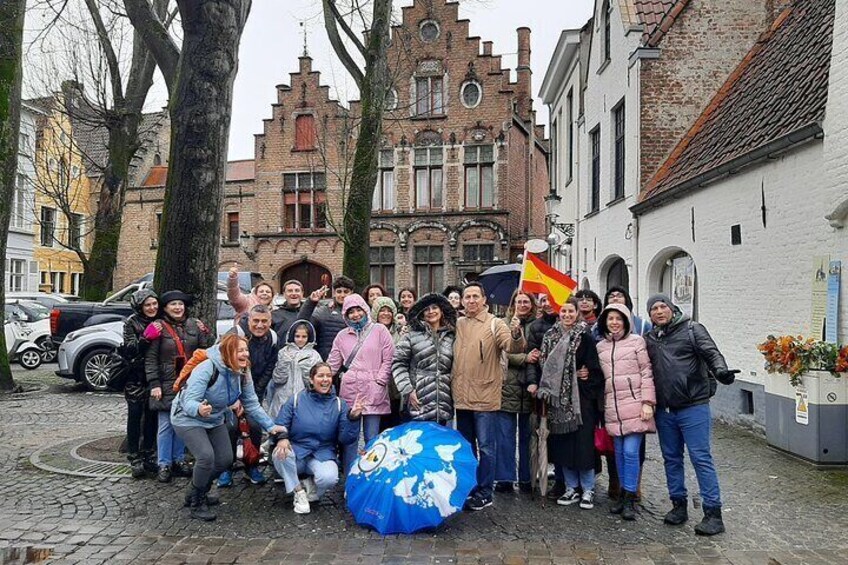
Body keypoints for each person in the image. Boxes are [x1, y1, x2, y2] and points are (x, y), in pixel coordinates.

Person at [644, 294, 738, 536]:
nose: (659, 311)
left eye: (663, 306)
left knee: (700, 457)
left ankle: (713, 512)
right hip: (665, 410)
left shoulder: (692, 329)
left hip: (693, 405)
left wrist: (721, 371)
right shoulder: (650, 339)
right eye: (653, 308)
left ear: (672, 308)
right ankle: (678, 505)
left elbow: (711, 353)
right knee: (671, 458)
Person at [171, 334, 285, 521]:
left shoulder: (242, 371)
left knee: (225, 459)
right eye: (239, 350)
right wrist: (199, 409)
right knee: (206, 456)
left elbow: (251, 403)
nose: (245, 354)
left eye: (245, 350)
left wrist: (270, 426)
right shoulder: (208, 367)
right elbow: (188, 400)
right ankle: (197, 502)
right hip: (187, 418)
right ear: (227, 351)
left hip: (214, 418)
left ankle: (196, 490)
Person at [452, 282, 526, 511]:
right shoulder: (458, 324)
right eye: (467, 297)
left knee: (486, 447)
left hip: (485, 396)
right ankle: (469, 487)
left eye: (476, 296)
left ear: (484, 300)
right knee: (466, 447)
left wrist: (515, 333)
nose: (471, 300)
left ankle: (485, 490)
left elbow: (513, 347)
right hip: (462, 396)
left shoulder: (495, 324)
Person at [536, 297, 603, 510]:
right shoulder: (549, 336)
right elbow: (544, 365)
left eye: (571, 311)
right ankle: (571, 487)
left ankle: (588, 489)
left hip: (580, 399)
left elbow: (594, 367)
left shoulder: (585, 336)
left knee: (583, 446)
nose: (567, 315)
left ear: (577, 313)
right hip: (556, 401)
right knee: (563, 446)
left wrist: (584, 375)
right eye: (563, 311)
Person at [272, 363, 363, 514]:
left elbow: (346, 438)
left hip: (323, 453)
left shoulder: (340, 404)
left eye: (328, 376)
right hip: (297, 453)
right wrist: (282, 437)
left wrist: (353, 418)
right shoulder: (296, 400)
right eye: (320, 375)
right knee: (280, 454)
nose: (325, 379)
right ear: (311, 379)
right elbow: (280, 423)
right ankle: (299, 491)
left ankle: (312, 489)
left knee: (329, 478)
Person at [144, 290, 215, 482]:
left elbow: (204, 352)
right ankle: (164, 463)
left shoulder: (194, 325)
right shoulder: (158, 327)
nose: (177, 308)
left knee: (184, 424)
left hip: (190, 383)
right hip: (166, 383)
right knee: (166, 425)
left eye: (180, 304)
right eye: (173, 304)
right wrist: (154, 384)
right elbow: (151, 359)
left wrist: (206, 333)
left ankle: (179, 459)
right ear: (166, 308)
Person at [596, 304, 656, 520]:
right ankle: (622, 494)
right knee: (619, 453)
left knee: (631, 452)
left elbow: (647, 372)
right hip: (613, 408)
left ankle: (631, 496)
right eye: (610, 318)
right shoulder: (601, 347)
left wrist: (648, 402)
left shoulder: (637, 342)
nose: (614, 322)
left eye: (618, 319)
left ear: (626, 321)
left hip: (635, 405)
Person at [328, 294, 395, 473]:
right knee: (350, 438)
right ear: (346, 315)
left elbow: (389, 358)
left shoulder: (380, 330)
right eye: (351, 312)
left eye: (358, 310)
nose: (356, 315)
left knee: (372, 437)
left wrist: (380, 380)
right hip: (351, 390)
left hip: (374, 388)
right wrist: (322, 378)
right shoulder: (342, 336)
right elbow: (333, 362)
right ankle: (351, 475)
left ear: (365, 310)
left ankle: (371, 473)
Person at [218, 304, 280, 487]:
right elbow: (220, 363)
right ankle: (225, 468)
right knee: (229, 428)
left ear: (270, 321)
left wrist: (256, 392)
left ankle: (251, 466)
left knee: (254, 426)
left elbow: (270, 367)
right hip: (229, 391)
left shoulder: (273, 338)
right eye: (256, 321)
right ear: (249, 319)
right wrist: (233, 398)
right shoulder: (235, 333)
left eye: (264, 321)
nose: (260, 325)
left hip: (253, 389)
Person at [494, 290, 537, 494]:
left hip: (529, 387)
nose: (522, 304)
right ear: (513, 304)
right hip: (507, 385)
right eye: (518, 301)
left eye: (526, 301)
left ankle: (527, 477)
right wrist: (524, 358)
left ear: (531, 304)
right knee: (505, 436)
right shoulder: (503, 324)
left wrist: (532, 357)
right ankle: (505, 477)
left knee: (528, 436)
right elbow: (502, 352)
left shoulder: (537, 325)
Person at [391, 293, 457, 425]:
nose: (431, 312)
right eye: (426, 309)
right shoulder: (410, 335)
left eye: (434, 308)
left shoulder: (451, 335)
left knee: (439, 443)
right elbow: (398, 363)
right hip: (418, 400)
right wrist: (408, 390)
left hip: (443, 401)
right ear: (421, 313)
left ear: (441, 310)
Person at [121, 289, 160, 479]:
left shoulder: (161, 319)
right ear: (140, 307)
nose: (152, 308)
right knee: (135, 417)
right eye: (147, 305)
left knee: (152, 417)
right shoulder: (131, 323)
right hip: (136, 377)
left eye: (154, 304)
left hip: (155, 378)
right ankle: (134, 456)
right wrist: (145, 338)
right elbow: (129, 349)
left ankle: (148, 454)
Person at [266, 321, 322, 421]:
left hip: (305, 401)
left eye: (304, 337)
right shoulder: (283, 352)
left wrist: (306, 370)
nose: (300, 340)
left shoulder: (314, 355)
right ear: (292, 336)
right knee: (280, 429)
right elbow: (278, 379)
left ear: (309, 337)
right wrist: (284, 363)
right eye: (297, 336)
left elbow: (314, 385)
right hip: (282, 399)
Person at [301, 275, 355, 361]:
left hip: (349, 361)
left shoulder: (358, 313)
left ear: (351, 292)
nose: (342, 295)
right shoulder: (323, 311)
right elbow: (303, 323)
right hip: (325, 360)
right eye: (339, 292)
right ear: (334, 293)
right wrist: (310, 302)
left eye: (346, 292)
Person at [372, 296, 404, 431]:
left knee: (397, 427)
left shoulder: (401, 332)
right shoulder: (370, 333)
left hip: (396, 388)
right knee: (380, 429)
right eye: (382, 310)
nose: (386, 314)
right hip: (377, 388)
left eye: (389, 310)